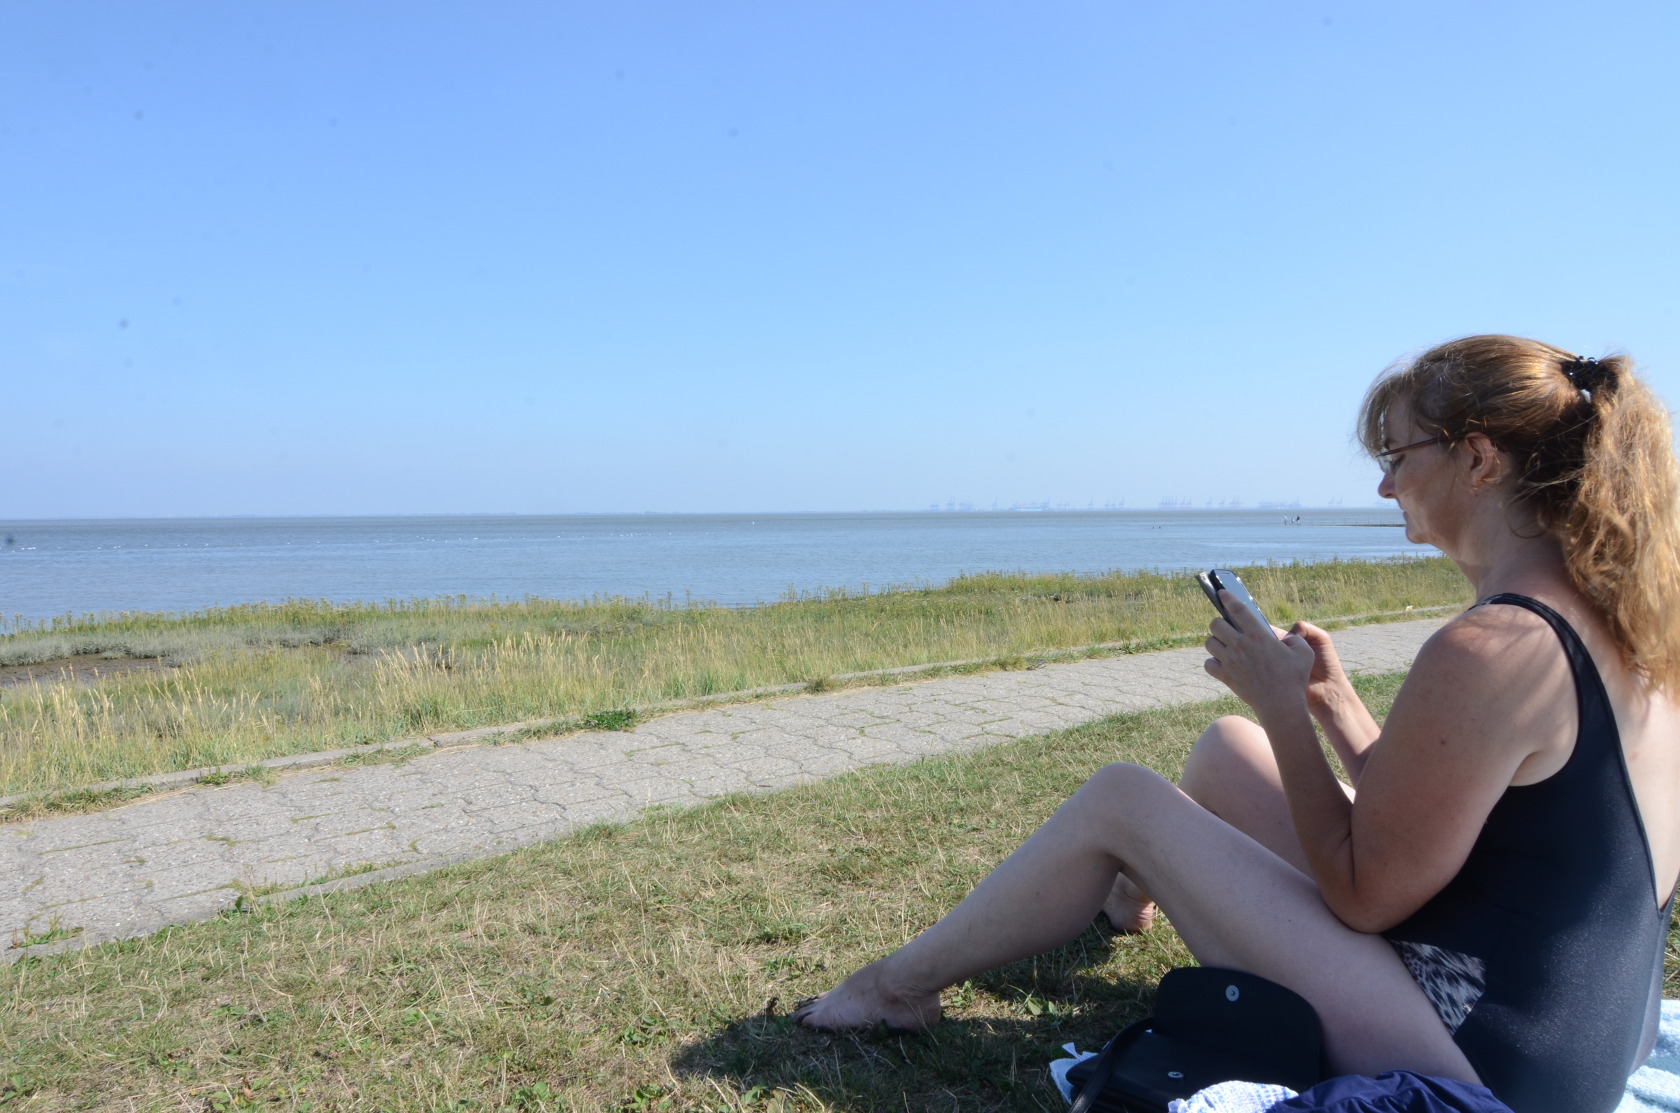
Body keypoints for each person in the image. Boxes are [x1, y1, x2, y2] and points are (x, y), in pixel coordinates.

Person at [793, 335, 1680, 1113]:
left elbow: (1365, 890)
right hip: (1579, 1042)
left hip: (1485, 1070)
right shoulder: (1625, 621)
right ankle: (1122, 889)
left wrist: (1280, 707)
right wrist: (1329, 705)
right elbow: (1463, 834)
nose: (1383, 482)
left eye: (1398, 454)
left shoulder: (1491, 647)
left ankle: (896, 988)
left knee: (1123, 800)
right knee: (1225, 749)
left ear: (1479, 460)